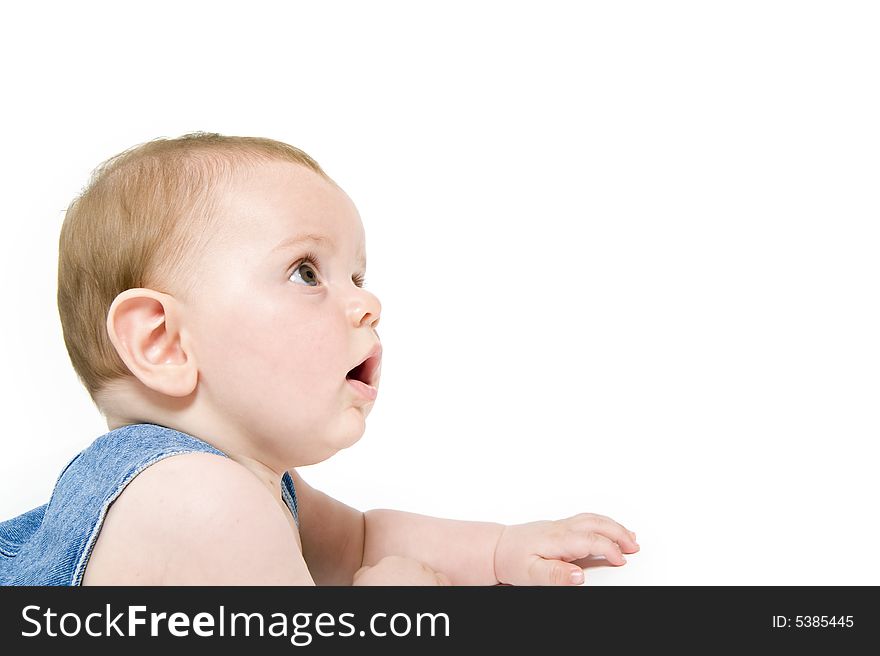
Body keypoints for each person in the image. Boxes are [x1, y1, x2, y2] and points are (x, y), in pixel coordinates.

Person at [0, 132, 639, 586]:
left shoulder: (249, 482)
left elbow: (361, 541)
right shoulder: (193, 501)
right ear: (162, 341)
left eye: (358, 275)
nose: (368, 302)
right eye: (307, 271)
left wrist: (502, 550)